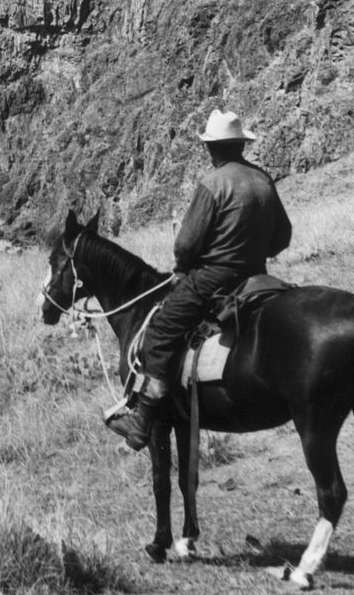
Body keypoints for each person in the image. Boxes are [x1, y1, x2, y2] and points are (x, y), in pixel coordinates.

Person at [107, 108, 292, 451]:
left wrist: (188, 263)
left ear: (214, 149)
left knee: (160, 330)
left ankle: (143, 418)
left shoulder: (212, 183)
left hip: (213, 279)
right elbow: (283, 237)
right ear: (239, 145)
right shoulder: (262, 179)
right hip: (256, 276)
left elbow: (186, 244)